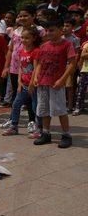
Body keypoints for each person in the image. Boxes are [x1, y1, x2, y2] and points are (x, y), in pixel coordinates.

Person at [29, 11, 76, 148]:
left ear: (61, 30)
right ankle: (46, 133)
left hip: (56, 83)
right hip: (43, 82)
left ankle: (66, 134)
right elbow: (39, 63)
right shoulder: (44, 46)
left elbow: (72, 63)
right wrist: (36, 77)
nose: (49, 33)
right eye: (47, 30)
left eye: (52, 30)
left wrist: (62, 79)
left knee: (60, 109)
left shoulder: (67, 45)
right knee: (43, 110)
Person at [1, 5, 44, 114]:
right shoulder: (16, 31)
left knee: (31, 97)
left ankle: (32, 121)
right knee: (16, 95)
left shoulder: (39, 30)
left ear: (33, 16)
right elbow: (11, 50)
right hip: (16, 68)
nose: (22, 18)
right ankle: (13, 120)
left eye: (26, 15)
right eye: (20, 16)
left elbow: (42, 49)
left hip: (31, 70)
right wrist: (6, 67)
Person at [2, 26, 41, 136]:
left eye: (27, 38)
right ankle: (14, 126)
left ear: (33, 38)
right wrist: (19, 82)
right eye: (22, 38)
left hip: (33, 85)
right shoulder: (22, 51)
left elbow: (35, 68)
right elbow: (21, 67)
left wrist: (32, 84)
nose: (24, 40)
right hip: (23, 85)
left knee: (35, 107)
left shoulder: (36, 51)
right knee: (15, 104)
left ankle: (40, 129)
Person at [62, 15, 81, 111]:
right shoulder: (60, 37)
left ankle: (69, 106)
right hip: (59, 65)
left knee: (69, 86)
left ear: (72, 28)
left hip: (69, 65)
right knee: (60, 85)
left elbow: (77, 53)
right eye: (63, 25)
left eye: (67, 26)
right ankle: (61, 104)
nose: (64, 28)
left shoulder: (75, 39)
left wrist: (74, 65)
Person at [74, 38, 88, 115]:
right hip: (85, 71)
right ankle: (78, 107)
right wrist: (79, 67)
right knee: (81, 91)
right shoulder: (86, 44)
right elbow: (83, 55)